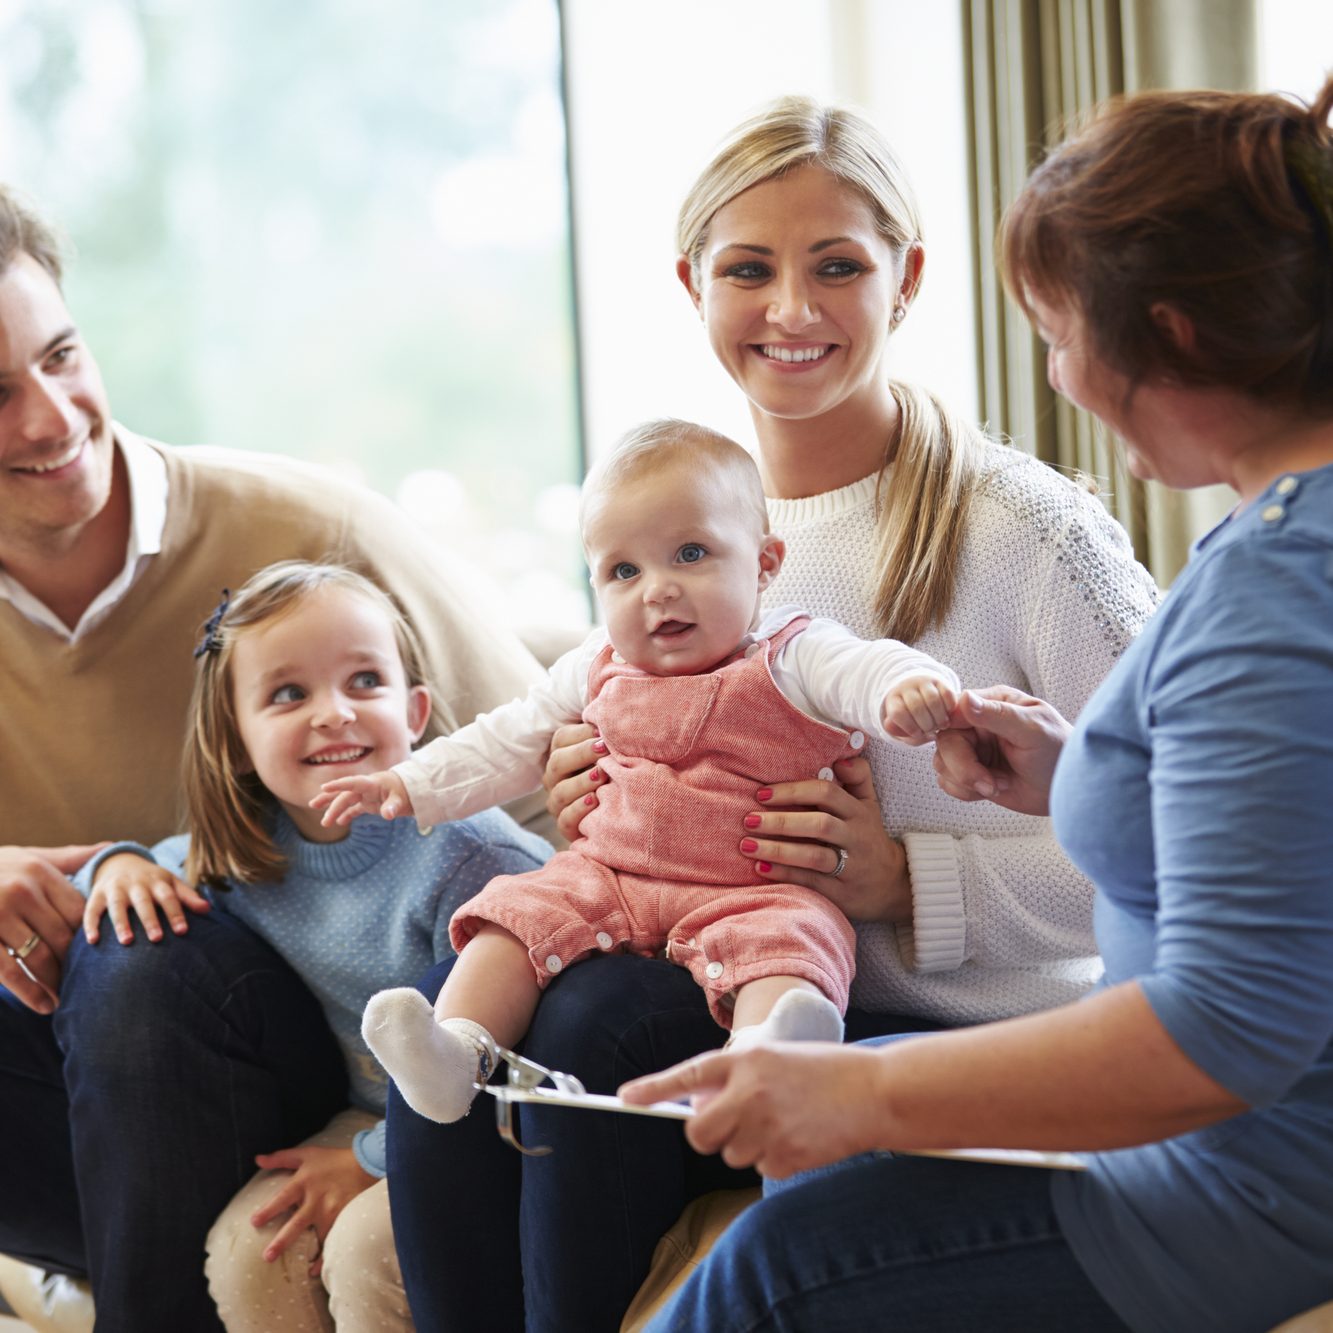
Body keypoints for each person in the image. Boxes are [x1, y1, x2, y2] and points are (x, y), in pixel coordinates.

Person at [385, 97, 1161, 1332]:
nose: (791, 311)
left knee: (588, 1028)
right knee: (465, 1032)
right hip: (720, 973)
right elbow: (586, 744)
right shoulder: (672, 524)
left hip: (939, 1032)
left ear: (905, 279)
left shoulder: (1030, 535)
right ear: (692, 284)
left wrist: (910, 878)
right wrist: (598, 785)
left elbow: (1184, 852)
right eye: (749, 269)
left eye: (837, 267)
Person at [620, 77, 1333, 1333]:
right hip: (1210, 1130)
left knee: (762, 1276)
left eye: (1059, 331)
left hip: (1239, 1181)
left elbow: (1225, 1032)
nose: (1057, 374)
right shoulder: (1270, 535)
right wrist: (1075, 775)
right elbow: (1287, 840)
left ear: (1162, 336)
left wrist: (862, 1100)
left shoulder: (1273, 590)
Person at [0, 184, 547, 1332]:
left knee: (132, 958)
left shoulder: (315, 540)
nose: (50, 419)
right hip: (70, 1100)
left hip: (325, 1054)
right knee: (123, 923)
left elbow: (544, 774)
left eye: (61, 355)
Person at [314, 421, 959, 1123]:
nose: (658, 590)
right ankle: (456, 1053)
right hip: (607, 876)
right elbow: (508, 738)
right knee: (513, 917)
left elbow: (872, 669)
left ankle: (769, 1055)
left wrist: (910, 690)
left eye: (690, 554)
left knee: (796, 939)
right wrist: (408, 781)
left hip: (750, 890)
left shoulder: (794, 653)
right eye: (624, 571)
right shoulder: (595, 663)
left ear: (765, 563)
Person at [73, 561, 550, 1330]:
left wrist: (369, 1160)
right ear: (235, 738)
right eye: (289, 694)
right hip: (365, 1114)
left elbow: (516, 1067)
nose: (333, 713)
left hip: (485, 1120)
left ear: (416, 710)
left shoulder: (469, 858)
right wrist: (115, 863)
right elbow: (138, 879)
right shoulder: (247, 848)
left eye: (364, 681)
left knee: (365, 1248)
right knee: (250, 1249)